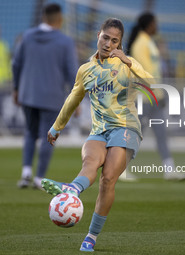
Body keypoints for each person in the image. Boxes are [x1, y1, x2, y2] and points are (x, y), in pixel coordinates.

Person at [41, 18, 153, 252]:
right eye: (105, 38)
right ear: (98, 35)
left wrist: (129, 61)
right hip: (99, 129)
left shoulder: (126, 65)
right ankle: (72, 189)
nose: (109, 44)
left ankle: (91, 236)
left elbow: (153, 84)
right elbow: (73, 98)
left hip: (126, 128)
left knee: (108, 178)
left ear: (120, 44)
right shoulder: (86, 70)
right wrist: (56, 127)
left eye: (115, 41)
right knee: (91, 160)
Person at [12, 4, 78, 189]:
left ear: (43, 17)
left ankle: (26, 173)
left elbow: (16, 64)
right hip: (52, 96)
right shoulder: (65, 42)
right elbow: (73, 73)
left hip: (28, 94)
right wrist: (77, 100)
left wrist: (16, 89)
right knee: (49, 136)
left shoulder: (27, 36)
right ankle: (39, 178)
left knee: (30, 132)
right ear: (60, 19)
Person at [127, 12, 185, 181]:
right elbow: (144, 73)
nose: (157, 26)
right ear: (148, 25)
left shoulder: (148, 43)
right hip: (143, 97)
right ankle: (120, 168)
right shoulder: (140, 44)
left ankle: (170, 170)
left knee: (161, 134)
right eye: (154, 23)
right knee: (134, 135)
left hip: (153, 97)